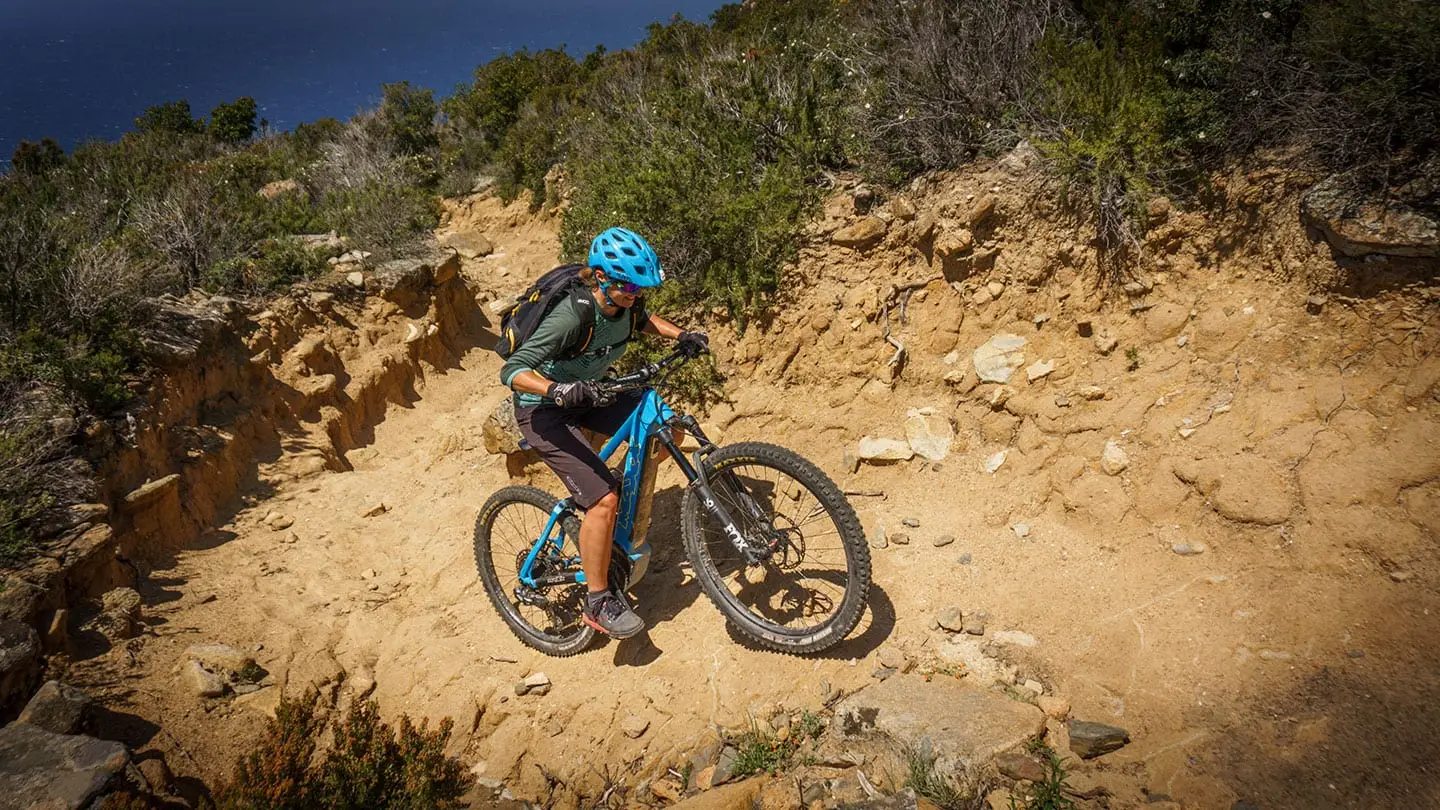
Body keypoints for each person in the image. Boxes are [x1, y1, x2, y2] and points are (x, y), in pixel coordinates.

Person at [499, 227, 709, 639]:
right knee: (603, 500)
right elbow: (512, 370)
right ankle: (598, 602)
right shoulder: (571, 316)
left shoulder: (626, 304)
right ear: (600, 277)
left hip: (593, 393)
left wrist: (682, 335)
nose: (635, 295)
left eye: (640, 288)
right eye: (628, 287)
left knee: (666, 428)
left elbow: (642, 321)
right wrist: (556, 390)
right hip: (544, 411)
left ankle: (610, 506)